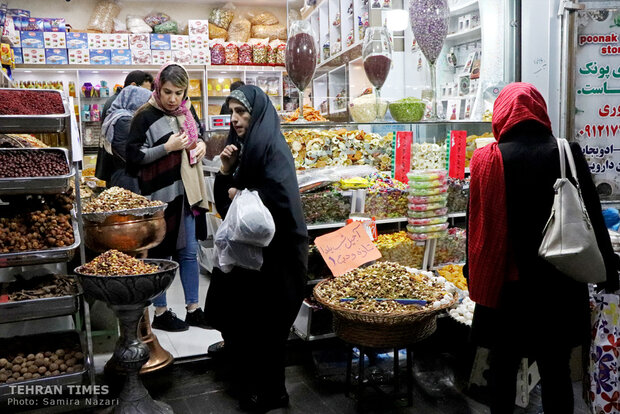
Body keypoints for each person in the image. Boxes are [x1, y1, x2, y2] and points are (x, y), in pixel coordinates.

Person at [465, 82, 619, 414]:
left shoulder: (486, 159)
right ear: (540, 112)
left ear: (502, 113)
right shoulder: (566, 151)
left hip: (506, 286)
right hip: (558, 284)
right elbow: (591, 213)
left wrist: (471, 273)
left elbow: (475, 225)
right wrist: (609, 270)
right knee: (557, 371)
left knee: (502, 368)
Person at [205, 85, 308, 412]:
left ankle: (272, 394)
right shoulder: (244, 149)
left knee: (269, 330)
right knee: (244, 323)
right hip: (251, 259)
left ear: (258, 113)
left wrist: (245, 195)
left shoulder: (272, 150)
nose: (234, 119)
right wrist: (225, 173)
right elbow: (226, 209)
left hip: (278, 258)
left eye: (241, 112)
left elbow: (279, 202)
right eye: (231, 111)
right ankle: (250, 384)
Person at [126, 63, 210, 332]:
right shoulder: (144, 116)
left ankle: (193, 309)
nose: (173, 99)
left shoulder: (186, 110)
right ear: (157, 88)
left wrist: (201, 144)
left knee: (189, 252)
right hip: (159, 197)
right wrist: (167, 147)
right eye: (168, 92)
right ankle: (161, 312)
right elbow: (133, 158)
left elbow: (199, 134)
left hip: (187, 193)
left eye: (179, 93)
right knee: (160, 254)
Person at [96, 70, 153, 184]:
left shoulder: (118, 107)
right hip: (124, 173)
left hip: (117, 170)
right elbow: (133, 151)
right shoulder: (124, 118)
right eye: (145, 92)